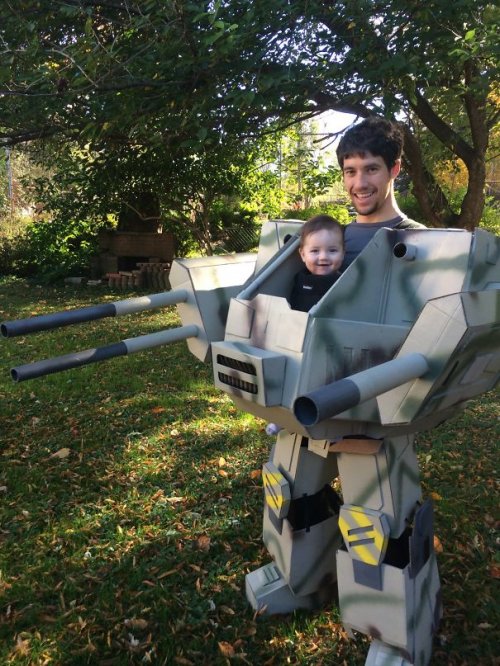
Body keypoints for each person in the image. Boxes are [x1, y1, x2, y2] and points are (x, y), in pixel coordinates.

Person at [336, 117, 426, 270]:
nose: (360, 184)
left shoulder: (422, 243)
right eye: (350, 171)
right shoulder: (327, 244)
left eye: (371, 169)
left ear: (395, 168)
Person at [289, 214, 345, 312]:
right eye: (315, 251)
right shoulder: (299, 281)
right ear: (303, 255)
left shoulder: (346, 283)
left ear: (343, 254)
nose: (323, 257)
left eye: (332, 250)